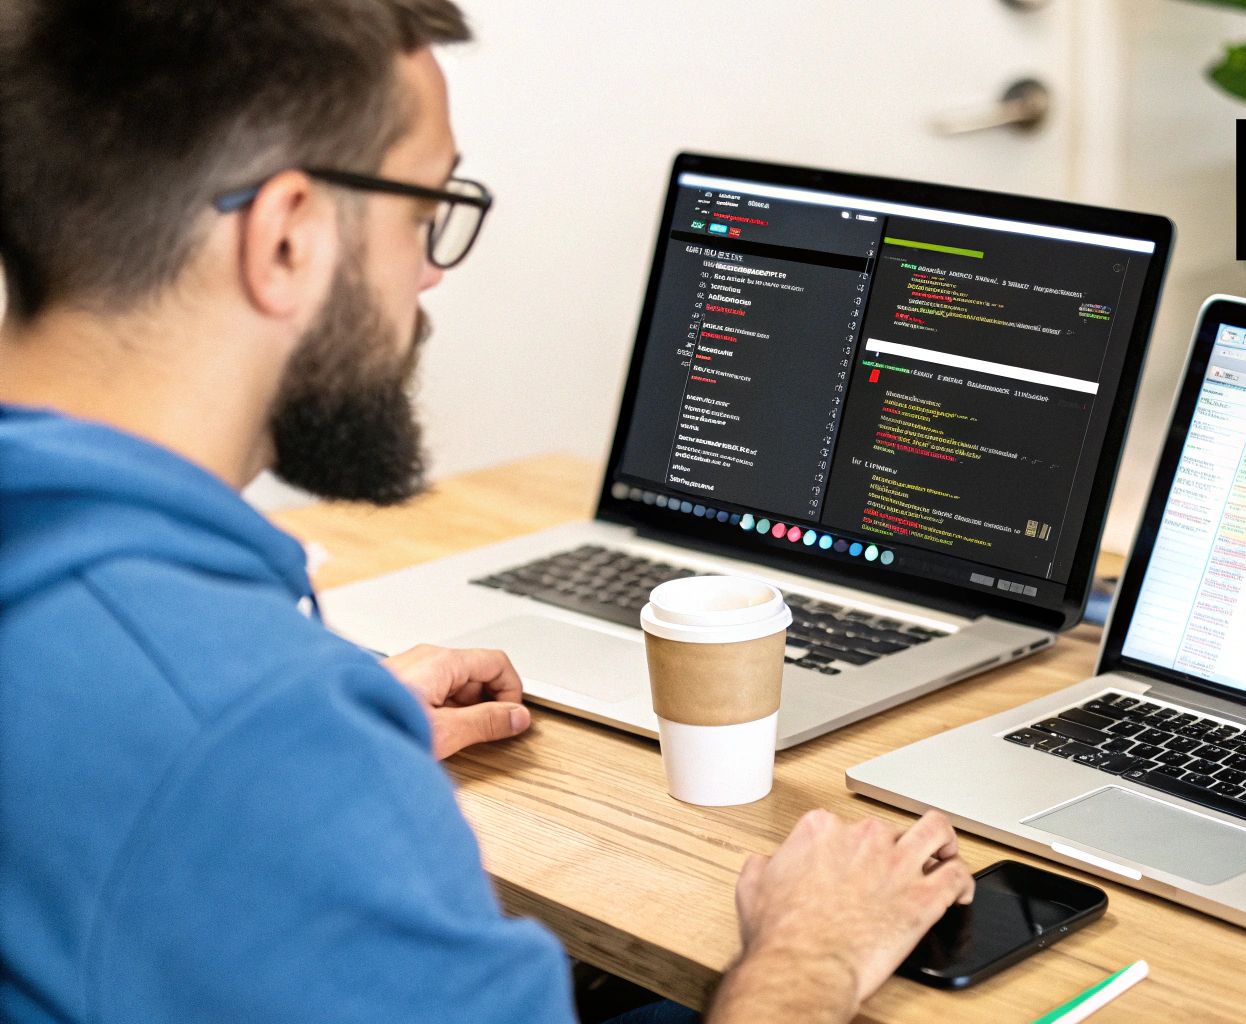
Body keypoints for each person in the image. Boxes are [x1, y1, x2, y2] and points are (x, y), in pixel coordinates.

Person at [0, 3, 974, 1022]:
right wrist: (810, 950)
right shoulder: (243, 735)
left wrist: (320, 750)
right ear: (287, 236)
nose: (428, 273)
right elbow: (192, 751)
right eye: (423, 212)